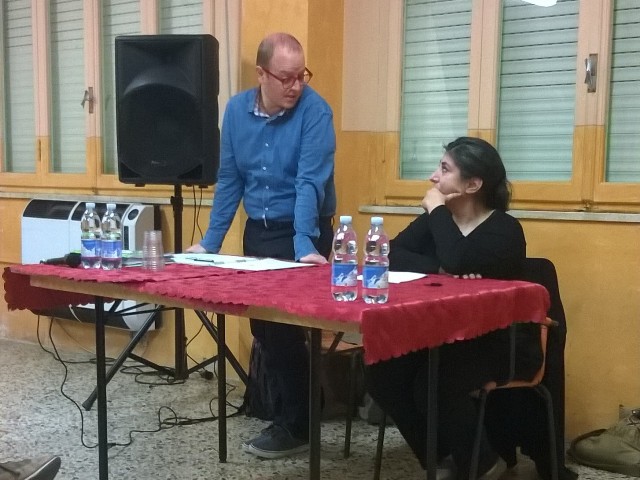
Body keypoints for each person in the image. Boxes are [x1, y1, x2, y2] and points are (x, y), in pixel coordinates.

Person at [186, 32, 336, 459]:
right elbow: (230, 179)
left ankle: (298, 425)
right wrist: (210, 243)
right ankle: (295, 412)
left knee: (285, 329)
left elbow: (309, 181)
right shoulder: (236, 111)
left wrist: (304, 243)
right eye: (286, 77)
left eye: (301, 75)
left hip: (304, 230)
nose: (296, 85)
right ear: (261, 74)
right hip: (260, 231)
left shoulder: (316, 111)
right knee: (264, 329)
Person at [365, 137, 539, 480]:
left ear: (473, 185)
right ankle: (440, 458)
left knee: (432, 383)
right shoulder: (437, 222)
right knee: (381, 372)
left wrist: (438, 213)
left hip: (493, 340)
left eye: (445, 169)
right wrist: (441, 268)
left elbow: (458, 256)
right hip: (436, 333)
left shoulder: (504, 230)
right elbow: (392, 253)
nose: (433, 177)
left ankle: (484, 463)